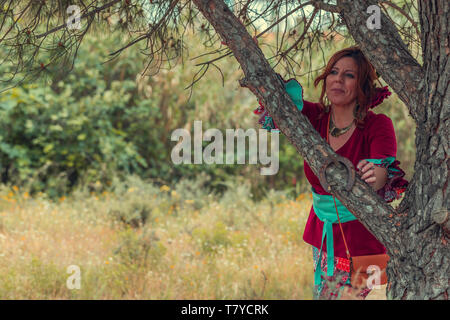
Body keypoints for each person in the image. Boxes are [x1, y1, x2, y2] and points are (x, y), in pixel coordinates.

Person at [253, 46, 408, 299]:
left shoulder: (377, 125)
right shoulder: (314, 117)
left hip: (361, 241)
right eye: (333, 72)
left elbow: (383, 172)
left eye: (349, 75)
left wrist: (376, 174)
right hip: (323, 234)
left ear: (363, 86)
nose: (338, 78)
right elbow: (275, 100)